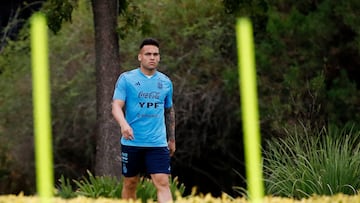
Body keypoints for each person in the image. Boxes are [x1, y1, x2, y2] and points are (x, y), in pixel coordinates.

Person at [112, 38, 176, 203]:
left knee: (162, 181)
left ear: (159, 57)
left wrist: (172, 139)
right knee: (131, 183)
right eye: (148, 54)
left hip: (157, 143)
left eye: (155, 54)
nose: (152, 57)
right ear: (140, 57)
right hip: (132, 142)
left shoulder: (165, 82)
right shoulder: (127, 79)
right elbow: (116, 106)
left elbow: (169, 111)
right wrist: (124, 125)